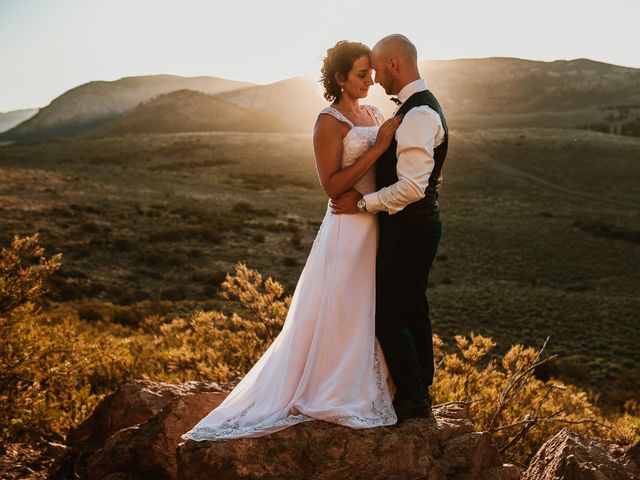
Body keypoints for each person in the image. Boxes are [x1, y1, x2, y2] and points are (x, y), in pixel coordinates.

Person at [181, 40, 402, 442]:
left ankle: (366, 385)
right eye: (360, 74)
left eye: (371, 72)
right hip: (346, 226)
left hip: (374, 218)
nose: (370, 80)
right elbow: (332, 188)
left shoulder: (372, 112)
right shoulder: (328, 122)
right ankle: (329, 389)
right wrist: (380, 147)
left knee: (368, 306)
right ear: (339, 78)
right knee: (341, 307)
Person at [331, 34, 449, 423]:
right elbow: (419, 175)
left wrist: (363, 203)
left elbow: (413, 188)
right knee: (413, 305)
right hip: (411, 224)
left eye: (379, 70)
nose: (377, 80)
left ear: (395, 64)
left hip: (410, 225)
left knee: (388, 315)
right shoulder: (415, 109)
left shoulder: (417, 114)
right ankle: (422, 385)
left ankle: (413, 398)